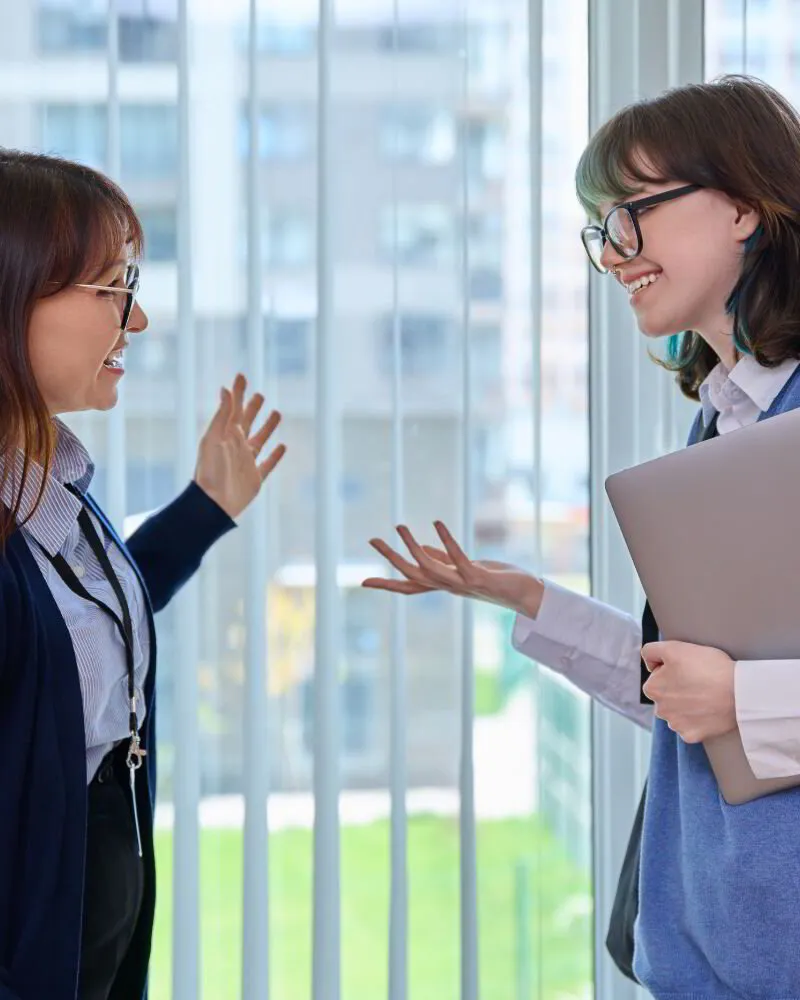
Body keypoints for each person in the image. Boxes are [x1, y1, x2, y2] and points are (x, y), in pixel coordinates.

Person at [363, 74, 800, 998]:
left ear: (747, 210)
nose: (613, 253)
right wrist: (526, 599)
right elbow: (682, 695)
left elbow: (737, 700)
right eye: (603, 227)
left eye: (634, 212)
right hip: (707, 947)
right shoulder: (724, 425)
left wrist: (747, 700)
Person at [0, 150, 285, 1000]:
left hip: (99, 926)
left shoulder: (50, 487)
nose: (140, 318)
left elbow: (76, 632)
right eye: (113, 286)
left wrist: (205, 508)